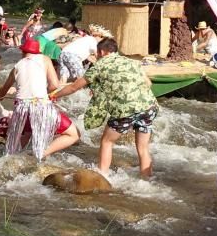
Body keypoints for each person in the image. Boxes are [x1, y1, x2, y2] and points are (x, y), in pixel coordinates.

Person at [53, 36, 159, 177]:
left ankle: (103, 176)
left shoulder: (99, 66)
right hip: (149, 107)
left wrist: (54, 95)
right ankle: (147, 179)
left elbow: (73, 88)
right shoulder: (132, 62)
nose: (96, 56)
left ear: (102, 52)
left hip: (125, 111)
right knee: (143, 148)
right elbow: (148, 83)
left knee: (107, 141)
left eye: (96, 53)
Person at [0, 37, 79, 160]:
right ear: (38, 52)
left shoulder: (17, 66)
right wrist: (45, 93)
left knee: (24, 136)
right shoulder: (45, 59)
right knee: (73, 134)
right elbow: (55, 85)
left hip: (21, 110)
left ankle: (12, 158)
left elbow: (3, 90)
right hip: (41, 107)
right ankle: (41, 154)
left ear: (23, 52)